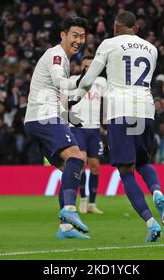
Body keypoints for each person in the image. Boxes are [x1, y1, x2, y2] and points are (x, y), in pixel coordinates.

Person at [74, 11, 164, 242]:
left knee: (126, 171)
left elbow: (88, 80)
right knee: (143, 162)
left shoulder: (108, 44)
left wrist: (76, 96)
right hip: (146, 110)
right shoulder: (152, 49)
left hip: (120, 111)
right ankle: (157, 190)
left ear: (116, 27)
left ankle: (151, 223)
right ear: (136, 28)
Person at [24, 16, 90, 239]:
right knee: (77, 158)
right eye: (74, 35)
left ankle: (66, 228)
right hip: (44, 116)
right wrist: (84, 80)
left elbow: (62, 93)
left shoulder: (62, 58)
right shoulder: (56, 55)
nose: (78, 40)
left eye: (82, 36)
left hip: (41, 117)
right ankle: (70, 211)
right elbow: (59, 82)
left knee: (69, 169)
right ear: (63, 35)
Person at [69, 55, 106, 215]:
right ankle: (83, 199)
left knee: (95, 165)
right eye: (85, 65)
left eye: (91, 66)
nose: (88, 68)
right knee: (82, 162)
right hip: (78, 127)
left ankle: (92, 203)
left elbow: (107, 101)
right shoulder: (74, 80)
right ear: (81, 66)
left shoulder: (101, 82)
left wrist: (106, 121)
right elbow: (65, 102)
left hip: (94, 129)